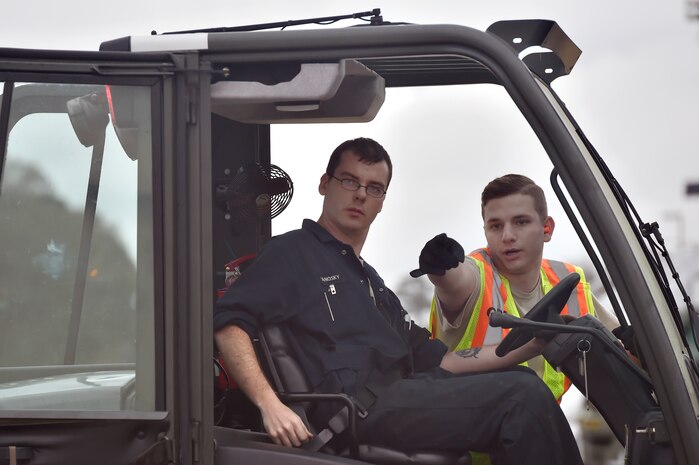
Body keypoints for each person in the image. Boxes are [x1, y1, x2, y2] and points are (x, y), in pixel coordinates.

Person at [214, 139, 583, 465]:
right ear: (325, 185)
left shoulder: (370, 281)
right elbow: (229, 322)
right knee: (520, 398)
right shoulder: (293, 252)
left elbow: (446, 361)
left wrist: (535, 343)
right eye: (349, 181)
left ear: (381, 202)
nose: (360, 194)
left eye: (374, 188)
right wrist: (269, 404)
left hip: (403, 396)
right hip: (361, 410)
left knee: (519, 379)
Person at [411, 174, 619, 402]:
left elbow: (621, 345)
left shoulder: (568, 280)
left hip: (537, 426)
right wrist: (440, 267)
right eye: (496, 226)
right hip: (469, 431)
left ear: (546, 228)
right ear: (485, 232)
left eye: (521, 222)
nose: (507, 236)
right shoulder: (476, 276)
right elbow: (454, 280)